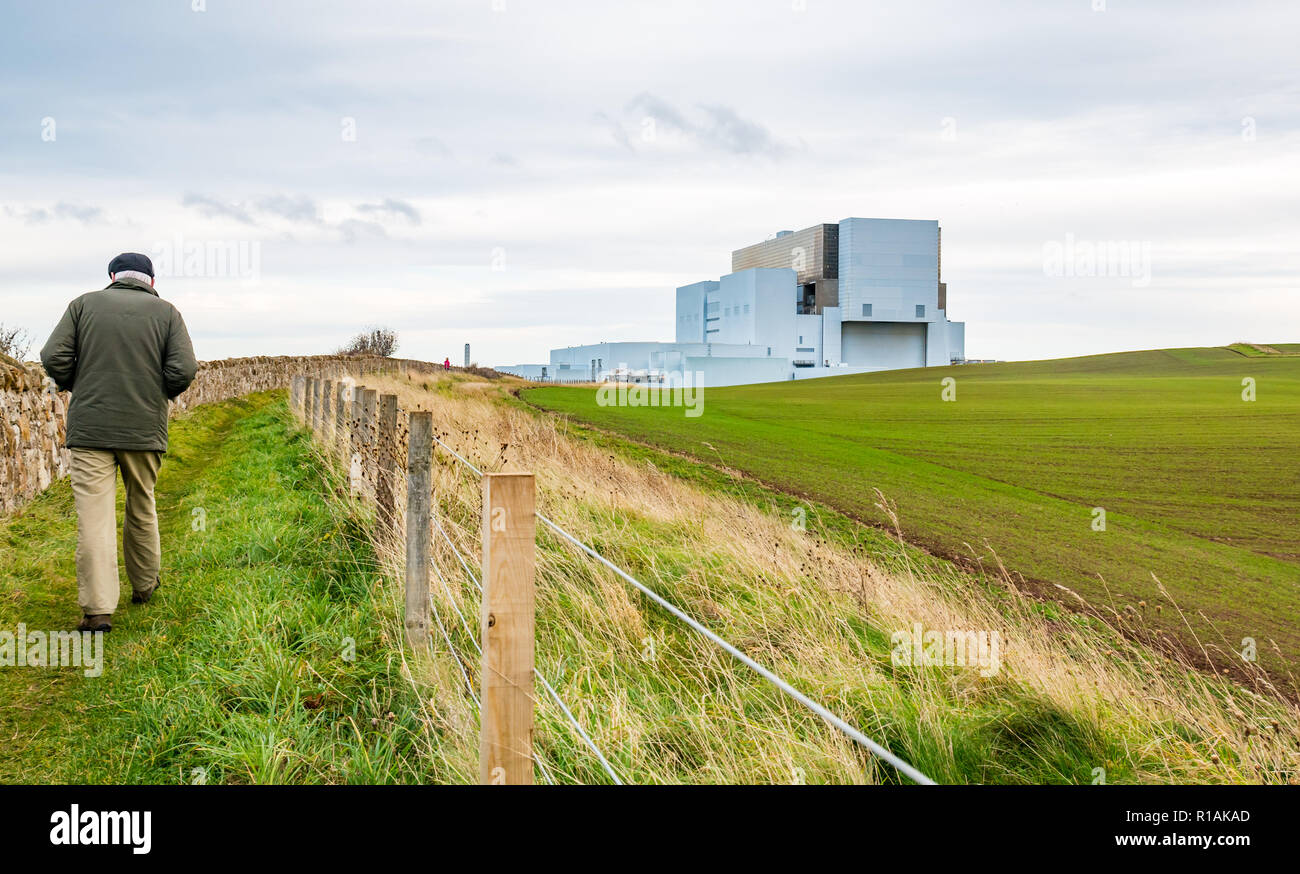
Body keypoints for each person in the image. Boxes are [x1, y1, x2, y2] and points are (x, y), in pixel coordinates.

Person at [40, 253, 197, 632]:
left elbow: (52, 356)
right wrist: (154, 394)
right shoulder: (167, 314)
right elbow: (184, 369)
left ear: (112, 276)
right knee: (142, 503)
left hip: (91, 429)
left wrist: (81, 384)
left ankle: (97, 610)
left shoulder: (82, 305)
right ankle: (144, 585)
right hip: (143, 429)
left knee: (94, 516)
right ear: (151, 282)